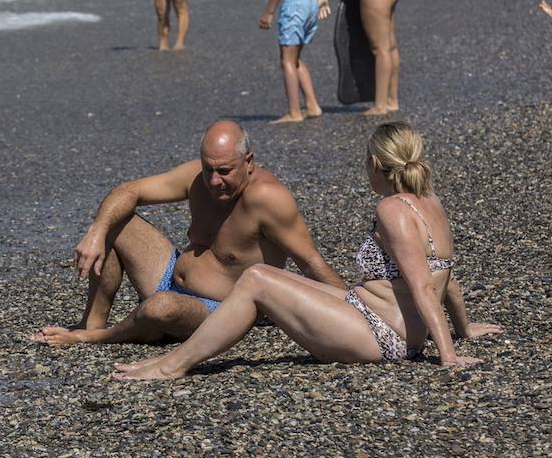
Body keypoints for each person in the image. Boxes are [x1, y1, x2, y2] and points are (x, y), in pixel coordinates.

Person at [111, 123, 503, 381]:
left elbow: (422, 285)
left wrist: (448, 355)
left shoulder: (392, 210)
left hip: (383, 336)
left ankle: (173, 364)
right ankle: (174, 359)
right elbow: (444, 273)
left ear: (374, 164)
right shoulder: (429, 202)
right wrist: (464, 328)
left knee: (257, 279)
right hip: (372, 314)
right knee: (265, 279)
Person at [31, 120, 345, 348]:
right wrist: (97, 232)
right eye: (209, 169)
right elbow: (129, 191)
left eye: (225, 171)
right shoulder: (198, 177)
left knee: (160, 308)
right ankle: (93, 321)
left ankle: (95, 336)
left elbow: (311, 262)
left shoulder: (267, 198)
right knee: (113, 217)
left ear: (248, 162)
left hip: (220, 308)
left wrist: (359, 312)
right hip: (169, 274)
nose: (215, 180)